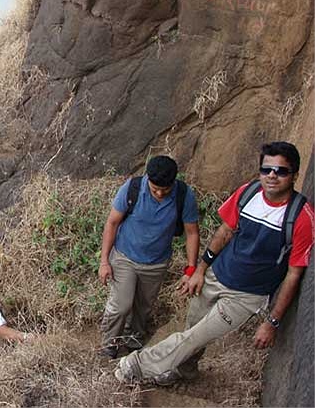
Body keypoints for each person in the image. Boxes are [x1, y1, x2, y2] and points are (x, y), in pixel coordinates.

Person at [115, 141, 314, 385]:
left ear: (294, 175)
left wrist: (272, 322)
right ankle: (183, 373)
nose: (272, 176)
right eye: (266, 169)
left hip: (246, 296)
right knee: (192, 330)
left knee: (194, 337)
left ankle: (135, 366)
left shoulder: (301, 218)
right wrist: (200, 269)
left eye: (281, 171)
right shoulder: (249, 192)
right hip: (216, 276)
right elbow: (225, 231)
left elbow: (293, 274)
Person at [98, 155, 200, 358]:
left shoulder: (184, 195)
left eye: (165, 189)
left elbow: (192, 233)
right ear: (147, 179)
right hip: (124, 257)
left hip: (156, 264)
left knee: (143, 307)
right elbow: (112, 223)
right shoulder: (132, 188)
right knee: (121, 305)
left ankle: (133, 340)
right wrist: (104, 262)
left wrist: (190, 269)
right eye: (155, 189)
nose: (160, 193)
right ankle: (108, 345)